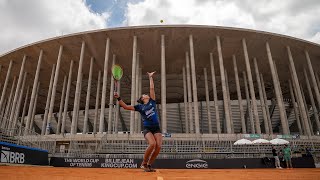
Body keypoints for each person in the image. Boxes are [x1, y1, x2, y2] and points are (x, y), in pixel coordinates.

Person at [114, 71, 162, 172]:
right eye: (144, 94)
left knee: (158, 147)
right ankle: (144, 163)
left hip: (156, 127)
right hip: (147, 128)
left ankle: (149, 165)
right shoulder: (140, 107)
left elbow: (152, 88)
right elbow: (126, 107)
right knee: (152, 144)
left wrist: (150, 77)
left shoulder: (152, 102)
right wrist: (118, 98)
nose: (146, 94)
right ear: (142, 98)